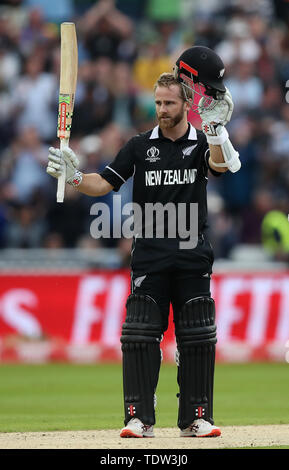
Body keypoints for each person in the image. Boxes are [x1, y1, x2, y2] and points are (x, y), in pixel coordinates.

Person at [46, 46, 241, 438]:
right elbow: (104, 182)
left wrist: (217, 131)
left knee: (198, 337)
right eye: (157, 102)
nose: (162, 108)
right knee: (138, 336)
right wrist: (75, 177)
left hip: (192, 256)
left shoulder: (202, 143)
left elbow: (221, 166)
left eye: (169, 102)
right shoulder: (139, 146)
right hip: (149, 257)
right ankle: (139, 418)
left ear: (186, 104)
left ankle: (196, 417)